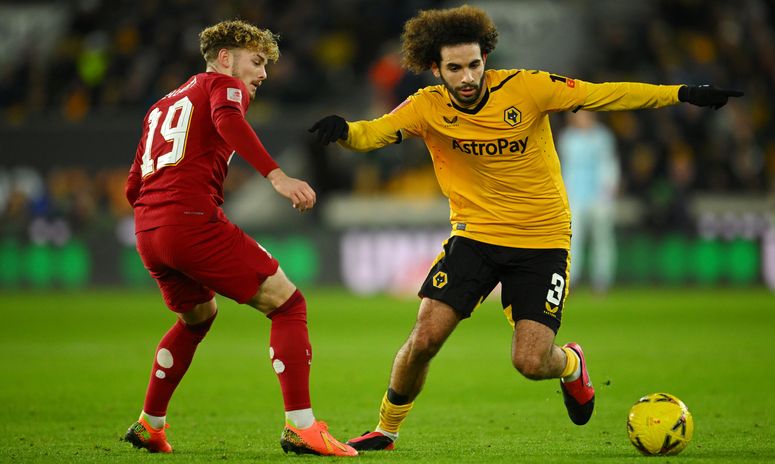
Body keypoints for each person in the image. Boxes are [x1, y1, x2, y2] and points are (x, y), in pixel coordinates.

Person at [309, 5, 741, 451]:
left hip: (543, 240)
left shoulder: (528, 87)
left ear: (485, 59)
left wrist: (683, 93)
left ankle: (571, 364)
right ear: (435, 69)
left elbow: (604, 95)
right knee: (424, 338)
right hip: (474, 236)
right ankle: (386, 429)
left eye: (474, 64)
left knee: (531, 362)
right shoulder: (426, 107)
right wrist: (344, 130)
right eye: (454, 68)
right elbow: (371, 134)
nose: (468, 77)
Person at [123, 20, 356, 457]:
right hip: (189, 221)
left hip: (148, 229)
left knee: (198, 317)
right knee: (288, 303)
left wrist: (159, 215)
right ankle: (301, 427)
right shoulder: (222, 85)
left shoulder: (159, 107)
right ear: (226, 58)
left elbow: (132, 186)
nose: (263, 73)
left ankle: (150, 424)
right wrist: (277, 175)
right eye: (256, 60)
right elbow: (228, 121)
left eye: (265, 64)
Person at [557, 111, 620, 292]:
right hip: (575, 196)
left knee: (602, 239)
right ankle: (572, 279)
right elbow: (563, 167)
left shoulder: (602, 137)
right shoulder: (568, 138)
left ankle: (602, 280)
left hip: (599, 196)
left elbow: (610, 165)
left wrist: (608, 192)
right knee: (573, 240)